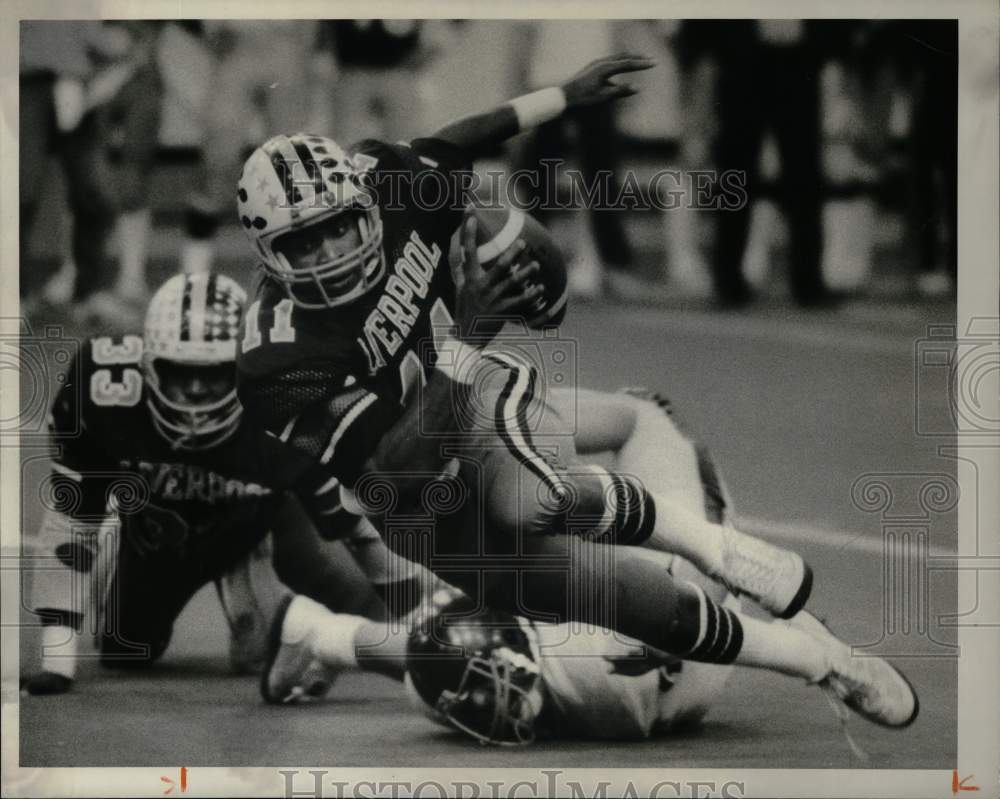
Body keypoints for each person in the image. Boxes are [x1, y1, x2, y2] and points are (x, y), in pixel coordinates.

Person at [234, 55, 917, 730]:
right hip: (418, 505)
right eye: (304, 244)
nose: (329, 253)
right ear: (269, 255)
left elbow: (452, 141)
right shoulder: (276, 360)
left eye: (337, 226)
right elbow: (397, 470)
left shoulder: (392, 182)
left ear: (362, 200)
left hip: (474, 404)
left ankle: (722, 556)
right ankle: (816, 659)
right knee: (648, 608)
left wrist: (560, 96)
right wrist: (469, 334)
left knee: (533, 498)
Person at [261, 388, 914, 746]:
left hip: (650, 624)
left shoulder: (481, 432)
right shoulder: (402, 508)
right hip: (631, 668)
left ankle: (741, 575)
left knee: (625, 441)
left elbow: (635, 420)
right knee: (462, 650)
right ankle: (318, 633)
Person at [24, 272, 419, 695]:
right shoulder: (102, 390)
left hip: (262, 513)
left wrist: (418, 619)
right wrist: (57, 661)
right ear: (147, 364)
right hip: (162, 522)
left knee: (333, 619)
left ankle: (250, 560)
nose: (196, 392)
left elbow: (358, 530)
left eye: (213, 374)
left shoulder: (286, 402)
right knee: (126, 648)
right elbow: (72, 519)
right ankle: (118, 539)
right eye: (179, 373)